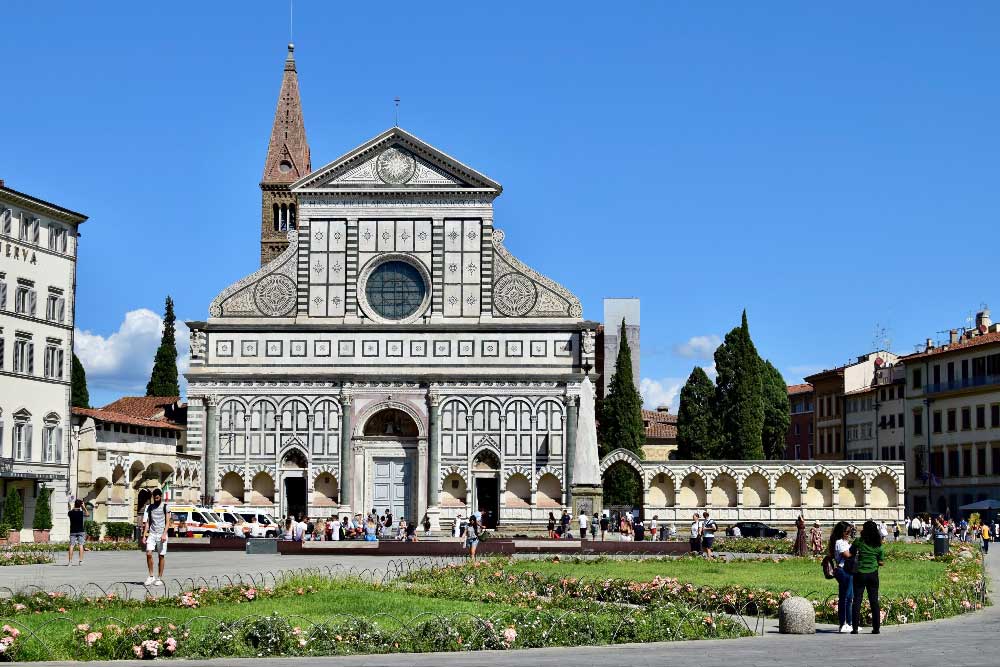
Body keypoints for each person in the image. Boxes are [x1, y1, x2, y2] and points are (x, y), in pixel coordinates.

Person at [851, 520, 885, 635]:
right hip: (873, 574)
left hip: (860, 573)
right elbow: (881, 562)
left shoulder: (859, 542)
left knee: (857, 600)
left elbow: (851, 553)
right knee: (874, 601)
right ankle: (876, 628)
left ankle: (855, 628)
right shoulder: (878, 545)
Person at [827, 521, 855, 634]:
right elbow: (847, 555)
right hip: (842, 570)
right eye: (847, 531)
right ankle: (843, 623)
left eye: (850, 531)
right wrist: (856, 547)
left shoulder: (845, 542)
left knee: (849, 598)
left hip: (848, 570)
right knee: (845, 598)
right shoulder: (839, 542)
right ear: (841, 532)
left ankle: (849, 623)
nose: (849, 533)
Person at [140, 488, 171, 587]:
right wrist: (145, 535)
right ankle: (151, 576)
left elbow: (168, 522)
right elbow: (148, 522)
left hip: (161, 534)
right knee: (148, 553)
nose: (156, 500)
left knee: (161, 556)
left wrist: (164, 534)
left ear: (160, 497)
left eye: (157, 498)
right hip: (152, 534)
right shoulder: (150, 507)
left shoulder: (165, 507)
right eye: (154, 498)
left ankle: (159, 578)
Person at [67, 499, 88, 566]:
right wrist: (84, 507)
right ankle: (80, 561)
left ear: (74, 504)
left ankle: (70, 562)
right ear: (80, 505)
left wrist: (73, 506)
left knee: (71, 545)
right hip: (80, 531)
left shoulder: (70, 513)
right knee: (81, 545)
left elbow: (71, 510)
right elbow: (88, 514)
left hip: (72, 531)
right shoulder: (81, 513)